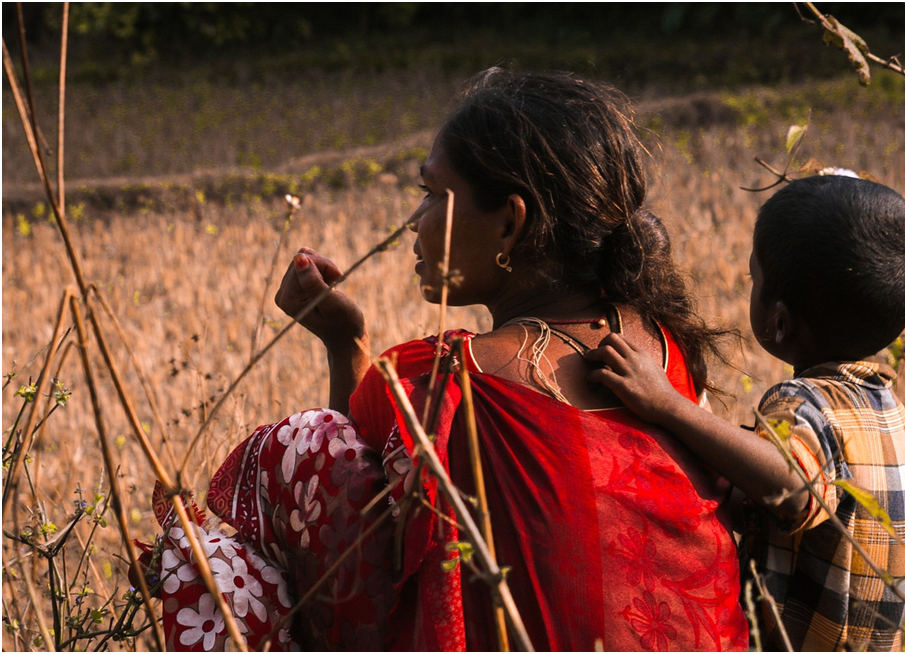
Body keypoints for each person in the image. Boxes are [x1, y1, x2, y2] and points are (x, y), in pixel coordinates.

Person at [135, 69, 749, 651]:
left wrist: (343, 344)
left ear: (510, 224)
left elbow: (346, 504)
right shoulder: (663, 346)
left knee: (255, 508)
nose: (413, 222)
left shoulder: (440, 378)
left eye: (431, 194)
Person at [585, 175, 905, 652]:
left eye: (754, 277)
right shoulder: (888, 411)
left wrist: (668, 406)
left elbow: (793, 490)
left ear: (779, 322)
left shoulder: (803, 403)